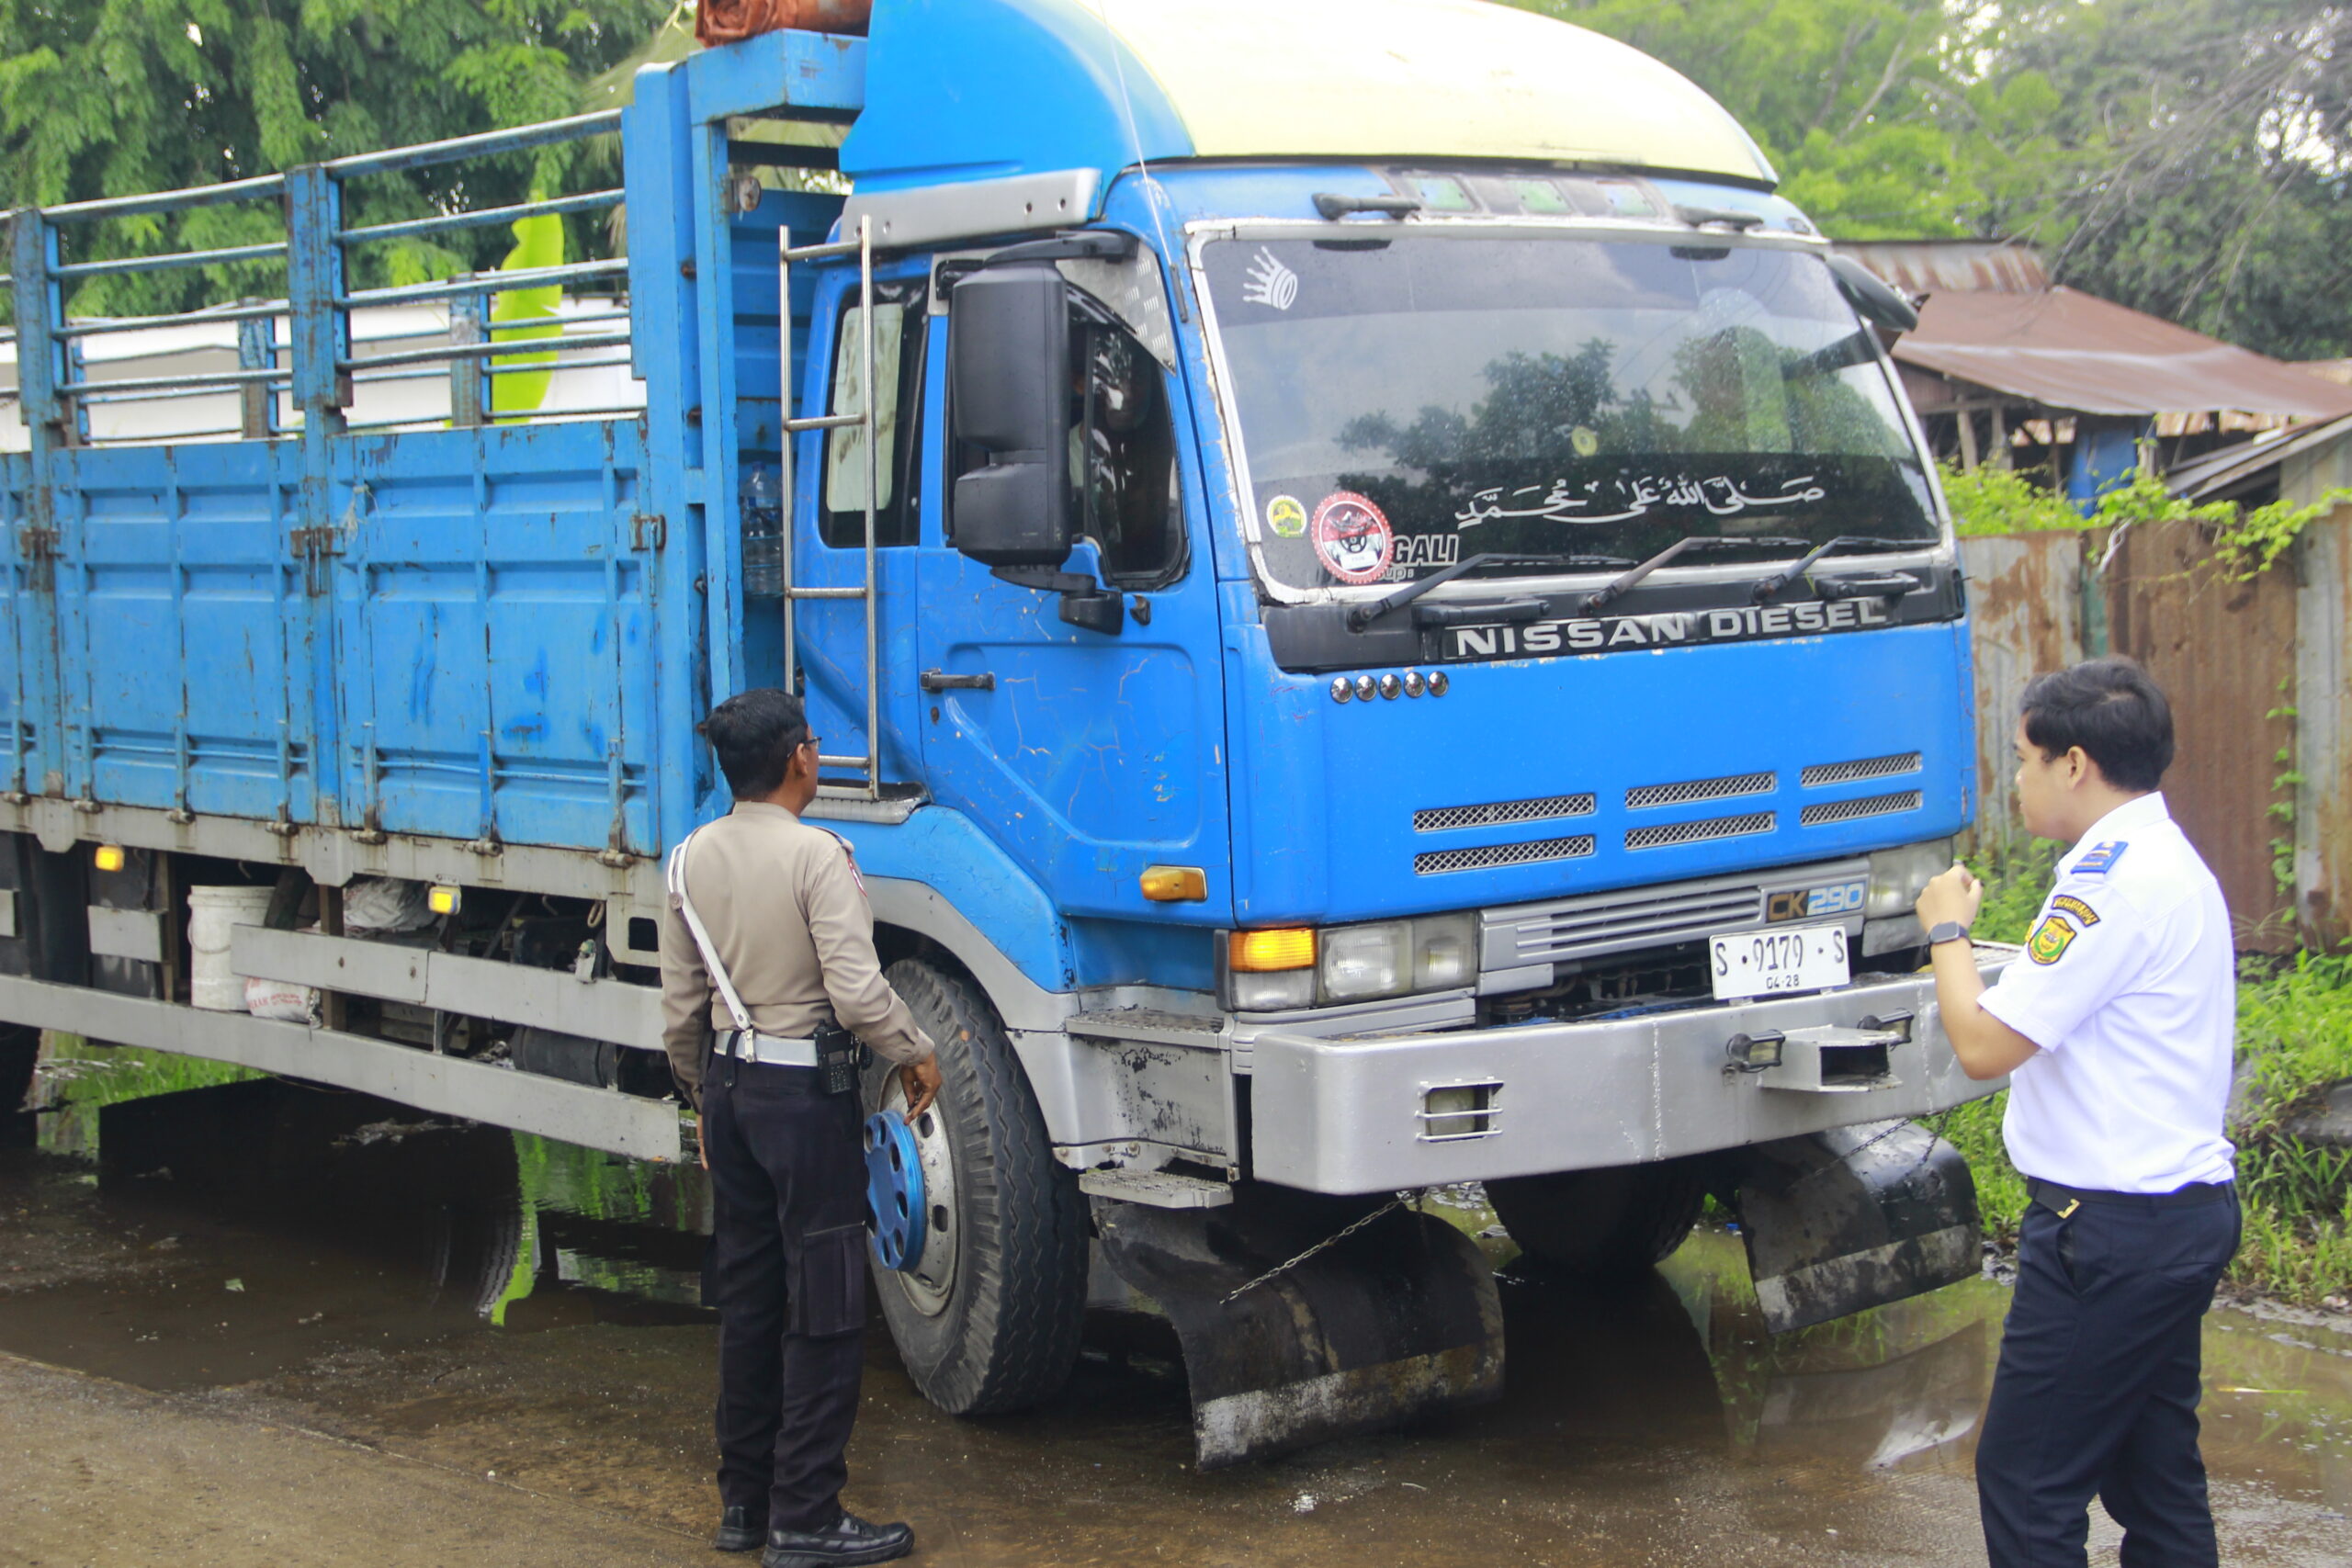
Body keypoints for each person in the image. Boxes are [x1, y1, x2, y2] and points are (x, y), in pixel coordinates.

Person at [1914, 657, 2239, 1568]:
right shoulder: (2159, 859)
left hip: (2107, 1235)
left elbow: (1982, 1046)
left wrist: (1944, 930)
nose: (2012, 779)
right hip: (2171, 1217)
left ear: (2073, 764)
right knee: (2156, 1481)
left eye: (2022, 758)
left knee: (2026, 1483)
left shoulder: (2105, 883)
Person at [660, 688, 944, 1568]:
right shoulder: (818, 855)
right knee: (823, 1306)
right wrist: (915, 1049)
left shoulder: (687, 859)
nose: (818, 756)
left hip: (733, 1092)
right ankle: (807, 1515)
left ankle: (744, 1504)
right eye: (815, 744)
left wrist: (704, 1100)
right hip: (801, 1101)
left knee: (749, 1300)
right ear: (796, 761)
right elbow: (856, 994)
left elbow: (681, 1011)